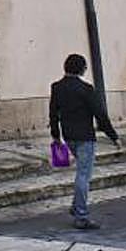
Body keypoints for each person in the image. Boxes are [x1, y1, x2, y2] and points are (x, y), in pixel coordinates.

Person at [49, 53, 119, 230]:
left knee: (82, 173)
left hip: (68, 136)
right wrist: (113, 136)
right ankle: (81, 215)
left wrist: (56, 135)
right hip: (85, 137)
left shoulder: (57, 87)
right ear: (82, 69)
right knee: (83, 176)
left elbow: (53, 113)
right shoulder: (86, 89)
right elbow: (100, 114)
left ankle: (76, 207)